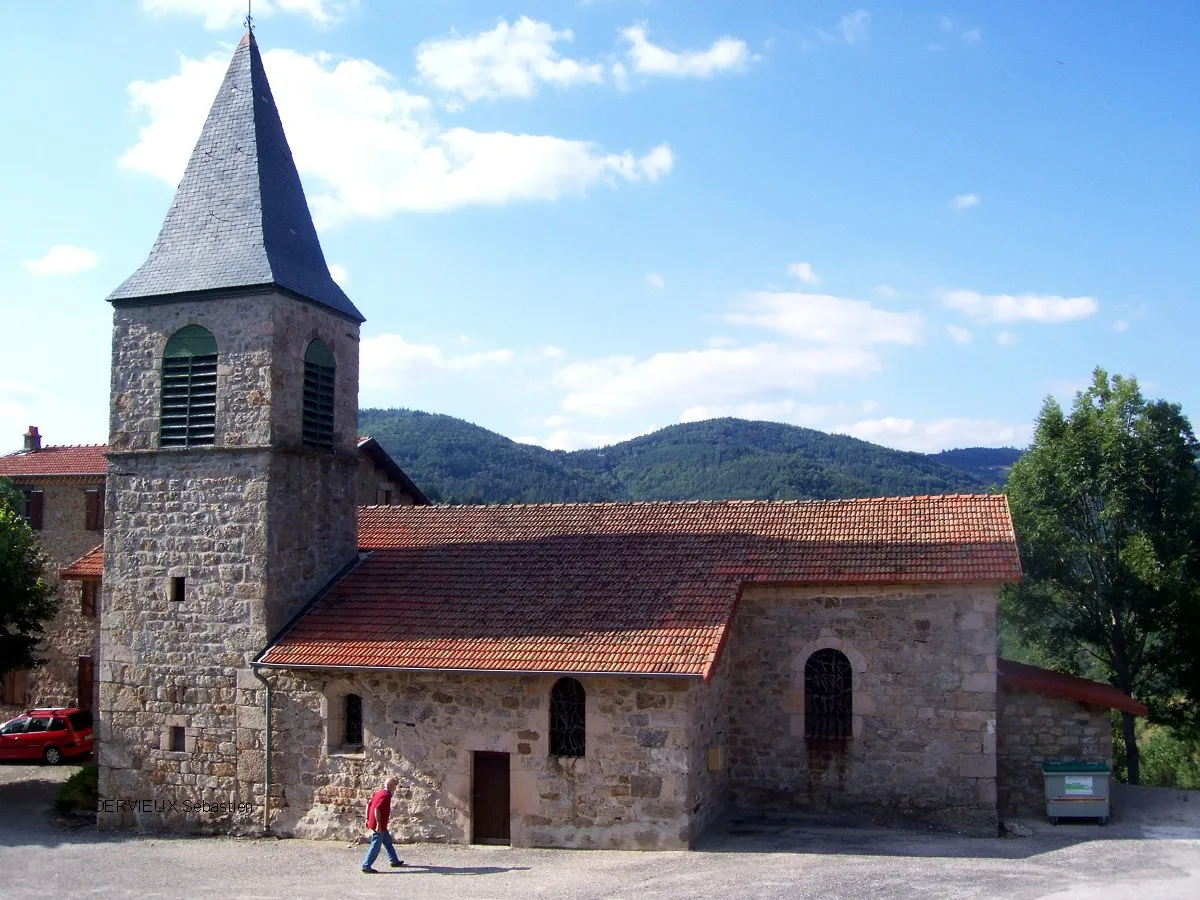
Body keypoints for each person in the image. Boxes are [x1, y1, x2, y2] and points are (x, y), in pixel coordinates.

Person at [361, 776, 405, 873]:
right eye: (395, 785)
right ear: (391, 786)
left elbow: (369, 804)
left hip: (379, 824)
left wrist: (367, 818)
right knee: (376, 845)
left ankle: (394, 860)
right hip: (379, 825)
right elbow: (377, 809)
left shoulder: (380, 792)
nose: (395, 788)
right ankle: (366, 865)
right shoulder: (385, 796)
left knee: (388, 841)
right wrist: (379, 825)